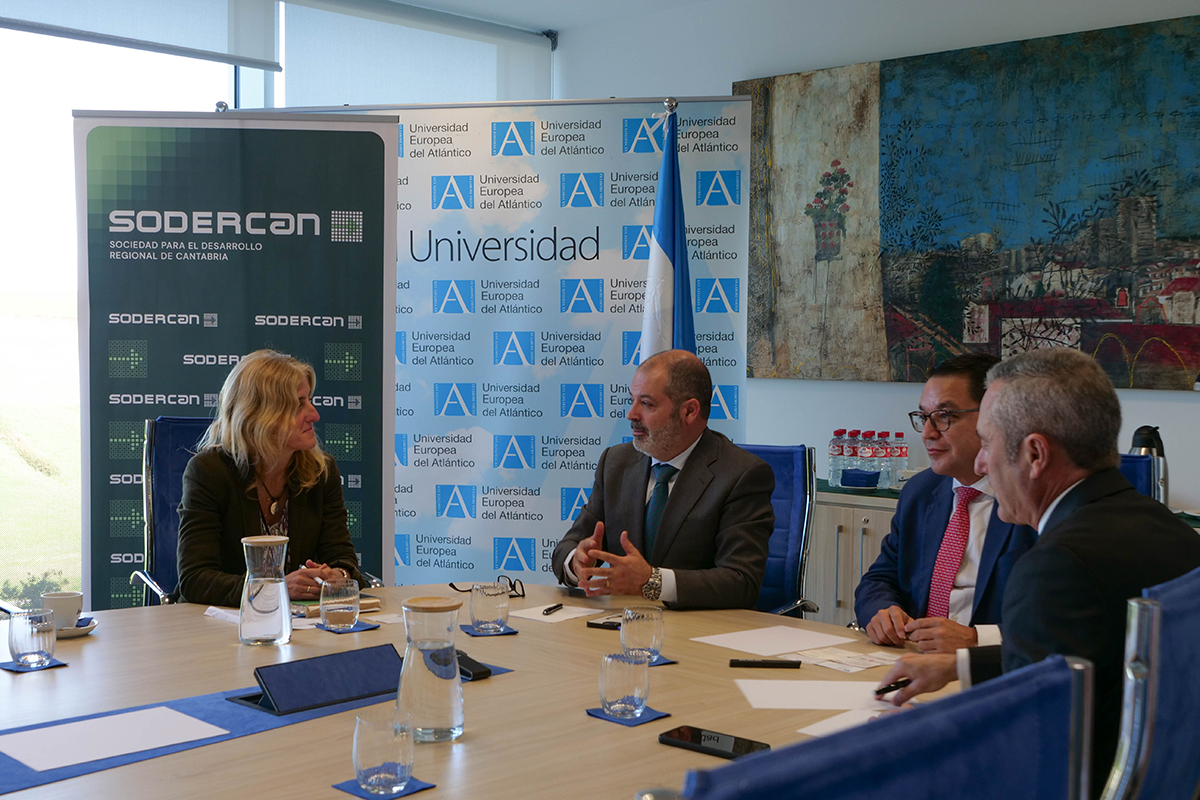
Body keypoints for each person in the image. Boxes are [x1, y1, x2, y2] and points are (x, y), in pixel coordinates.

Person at [876, 348, 1200, 791]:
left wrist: (929, 736)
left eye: (987, 444)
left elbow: (1030, 749)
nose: (981, 465)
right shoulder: (1169, 530)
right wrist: (961, 667)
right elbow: (1082, 661)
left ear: (1034, 455)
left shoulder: (1055, 568)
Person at [551, 349, 774, 609]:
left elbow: (741, 582)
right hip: (621, 627)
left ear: (689, 411)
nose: (631, 414)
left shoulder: (741, 475)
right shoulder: (615, 463)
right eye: (632, 400)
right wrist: (576, 562)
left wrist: (652, 581)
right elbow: (567, 546)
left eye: (646, 404)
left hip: (698, 633)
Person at [855, 353, 1037, 653]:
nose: (928, 433)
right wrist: (881, 611)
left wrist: (976, 640)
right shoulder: (920, 492)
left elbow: (1055, 623)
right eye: (924, 417)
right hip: (912, 660)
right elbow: (879, 579)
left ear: (995, 416)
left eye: (944, 416)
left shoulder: (1031, 498)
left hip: (991, 672)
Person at [176, 350, 365, 607]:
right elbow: (195, 580)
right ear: (262, 414)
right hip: (221, 627)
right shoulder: (209, 472)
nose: (314, 414)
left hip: (302, 627)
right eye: (299, 404)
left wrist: (336, 577)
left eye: (309, 400)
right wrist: (275, 588)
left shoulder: (322, 471)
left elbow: (343, 559)